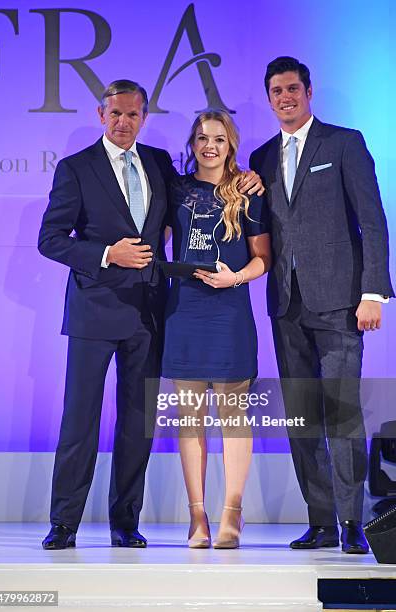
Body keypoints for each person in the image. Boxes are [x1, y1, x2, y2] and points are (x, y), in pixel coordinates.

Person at [39, 81, 263, 550]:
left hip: (150, 315)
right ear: (102, 114)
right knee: (80, 420)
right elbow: (51, 239)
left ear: (143, 117)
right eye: (116, 113)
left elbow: (212, 182)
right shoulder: (75, 168)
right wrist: (106, 253)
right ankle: (64, 522)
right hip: (94, 313)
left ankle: (125, 521)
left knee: (136, 422)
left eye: (133, 115)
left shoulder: (160, 164)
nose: (124, 122)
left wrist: (249, 177)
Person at [249, 57, 394, 553]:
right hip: (286, 306)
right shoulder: (261, 156)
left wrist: (373, 292)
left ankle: (353, 524)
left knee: (342, 414)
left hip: (339, 303)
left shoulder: (343, 143)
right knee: (303, 417)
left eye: (292, 88)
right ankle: (322, 521)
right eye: (276, 90)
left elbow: (372, 220)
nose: (284, 97)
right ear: (268, 98)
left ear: (308, 92)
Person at [162, 110, 271, 548]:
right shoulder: (176, 188)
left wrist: (235, 277)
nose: (210, 146)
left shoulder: (248, 191)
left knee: (233, 417)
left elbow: (263, 258)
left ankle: (232, 513)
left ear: (231, 145)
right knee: (190, 419)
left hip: (229, 314)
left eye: (220, 139)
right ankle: (197, 518)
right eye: (203, 138)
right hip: (184, 313)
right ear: (193, 144)